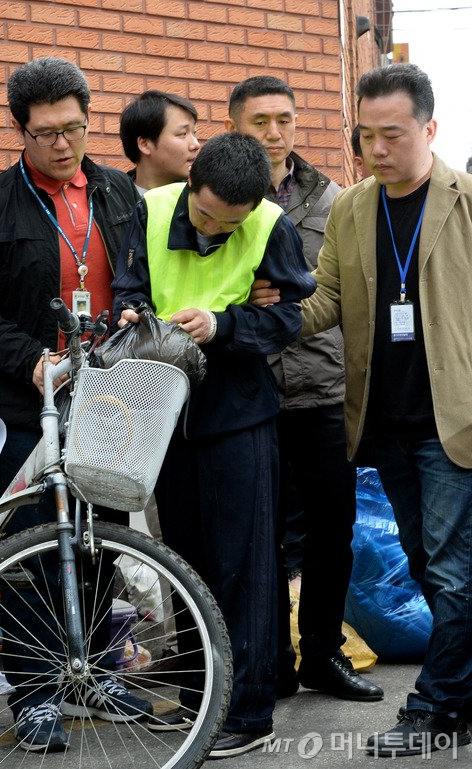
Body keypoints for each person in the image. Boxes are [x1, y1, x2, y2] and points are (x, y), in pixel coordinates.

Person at [0, 57, 152, 753]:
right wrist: (30, 358)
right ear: (21, 132)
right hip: (28, 398)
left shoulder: (121, 193)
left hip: (103, 393)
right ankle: (32, 689)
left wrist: (129, 314)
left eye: (75, 129)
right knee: (31, 545)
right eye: (47, 133)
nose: (63, 144)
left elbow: (140, 277)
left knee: (98, 538)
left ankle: (92, 667)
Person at [112, 132, 316, 758]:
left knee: (246, 565)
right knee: (188, 559)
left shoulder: (270, 225)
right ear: (192, 181)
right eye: (204, 216)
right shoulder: (147, 208)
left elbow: (288, 315)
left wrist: (222, 324)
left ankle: (250, 711)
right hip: (164, 408)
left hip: (237, 411)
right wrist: (132, 315)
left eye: (230, 225)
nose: (213, 231)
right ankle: (205, 698)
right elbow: (128, 289)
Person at [301, 62, 472, 756]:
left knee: (453, 570)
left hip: (453, 421)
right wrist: (255, 316)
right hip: (382, 421)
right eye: (364, 136)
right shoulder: (350, 207)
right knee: (430, 565)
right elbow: (325, 303)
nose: (376, 150)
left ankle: (436, 704)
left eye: (392, 135)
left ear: (430, 128)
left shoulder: (464, 202)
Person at [227, 75, 382, 702]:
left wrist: (294, 291)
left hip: (322, 388)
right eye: (259, 120)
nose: (273, 132)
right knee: (257, 536)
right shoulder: (214, 195)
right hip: (249, 394)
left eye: (284, 119)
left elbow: (346, 290)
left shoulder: (334, 200)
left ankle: (322, 653)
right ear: (234, 123)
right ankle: (268, 663)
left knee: (330, 530)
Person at [119, 88, 200, 678]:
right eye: (182, 133)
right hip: (128, 394)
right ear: (146, 144)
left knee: (181, 529)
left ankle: (188, 659)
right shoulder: (116, 204)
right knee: (135, 531)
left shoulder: (207, 204)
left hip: (196, 391)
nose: (195, 143)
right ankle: (150, 657)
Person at [120, 89, 200, 194]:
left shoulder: (203, 203)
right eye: (182, 134)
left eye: (194, 133)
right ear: (145, 145)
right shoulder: (111, 204)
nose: (196, 145)